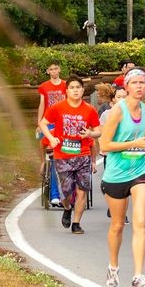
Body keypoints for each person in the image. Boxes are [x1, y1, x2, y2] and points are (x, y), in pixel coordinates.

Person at [98, 68, 145, 287]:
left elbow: (143, 137)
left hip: (140, 171)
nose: (140, 86)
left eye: (143, 82)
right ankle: (113, 269)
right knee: (117, 225)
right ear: (127, 87)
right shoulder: (117, 112)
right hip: (116, 173)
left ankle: (138, 277)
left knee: (140, 221)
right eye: (135, 83)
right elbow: (105, 145)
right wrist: (134, 144)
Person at [40, 75, 101, 234]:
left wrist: (90, 133)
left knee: (82, 190)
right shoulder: (57, 108)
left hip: (83, 155)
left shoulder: (90, 110)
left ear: (82, 90)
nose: (75, 90)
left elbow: (99, 131)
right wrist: (51, 138)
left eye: (78, 87)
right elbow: (43, 123)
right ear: (66, 91)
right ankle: (67, 208)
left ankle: (76, 223)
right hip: (63, 155)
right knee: (65, 192)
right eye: (72, 88)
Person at [36, 62, 68, 207]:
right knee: (49, 150)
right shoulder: (44, 86)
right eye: (51, 69)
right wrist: (39, 123)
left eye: (56, 68)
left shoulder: (66, 85)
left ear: (59, 69)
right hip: (49, 121)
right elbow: (42, 104)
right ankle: (45, 163)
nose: (54, 71)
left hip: (62, 120)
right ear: (48, 71)